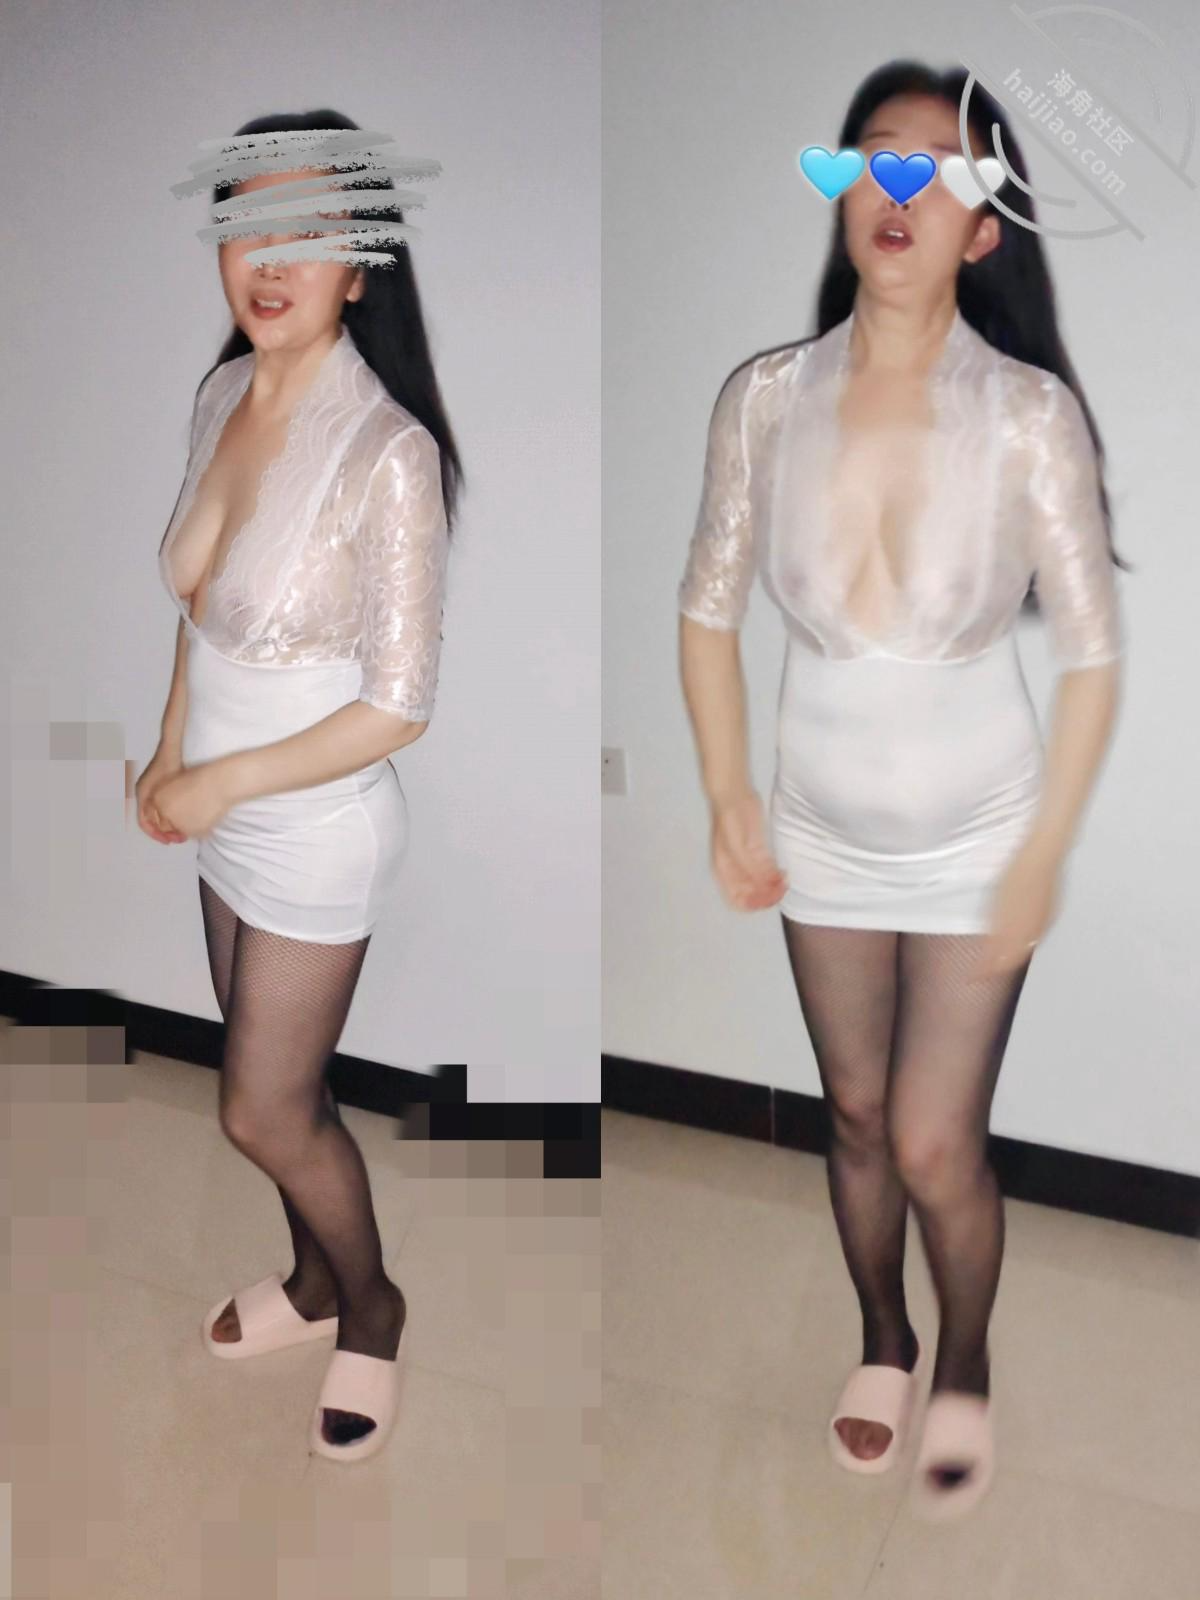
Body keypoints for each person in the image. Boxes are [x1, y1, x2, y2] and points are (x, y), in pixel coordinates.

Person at [677, 64, 1127, 1519]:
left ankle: (968, 1354)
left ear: (985, 228)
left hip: (980, 835)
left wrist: (1044, 852)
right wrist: (728, 795)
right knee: (859, 1117)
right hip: (818, 828)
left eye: (940, 170)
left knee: (937, 1140)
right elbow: (705, 609)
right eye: (877, 158)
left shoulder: (1029, 414)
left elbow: (1093, 654)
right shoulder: (764, 399)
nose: (901, 188)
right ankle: (885, 1338)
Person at [133, 110, 462, 1463]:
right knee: (288, 1090)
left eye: (308, 232)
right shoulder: (222, 396)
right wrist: (173, 753)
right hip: (223, 805)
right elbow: (199, 612)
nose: (267, 261)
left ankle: (371, 1304)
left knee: (259, 1106)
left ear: (362, 265)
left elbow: (400, 705)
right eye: (245, 227)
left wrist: (223, 781)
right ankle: (313, 1282)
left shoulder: (388, 452)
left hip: (316, 825)